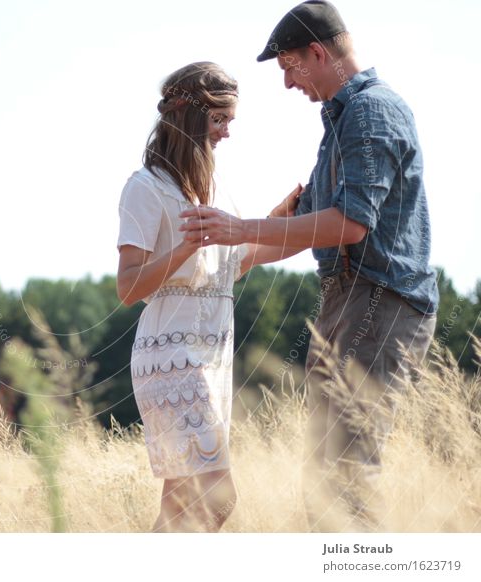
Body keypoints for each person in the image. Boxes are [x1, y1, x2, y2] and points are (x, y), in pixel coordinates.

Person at [179, 0, 439, 531]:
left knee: (344, 475)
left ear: (317, 53)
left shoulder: (372, 111)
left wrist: (243, 227)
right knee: (326, 476)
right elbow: (308, 224)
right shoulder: (343, 123)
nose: (287, 84)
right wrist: (242, 252)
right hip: (350, 299)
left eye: (288, 68)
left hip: (378, 299)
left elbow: (349, 225)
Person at [116, 61, 299, 532]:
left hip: (213, 359)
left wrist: (280, 219)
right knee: (216, 497)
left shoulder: (214, 190)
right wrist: (184, 248)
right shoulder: (145, 188)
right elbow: (128, 287)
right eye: (220, 120)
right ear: (189, 116)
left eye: (230, 121)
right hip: (171, 360)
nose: (226, 133)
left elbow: (234, 265)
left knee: (178, 508)